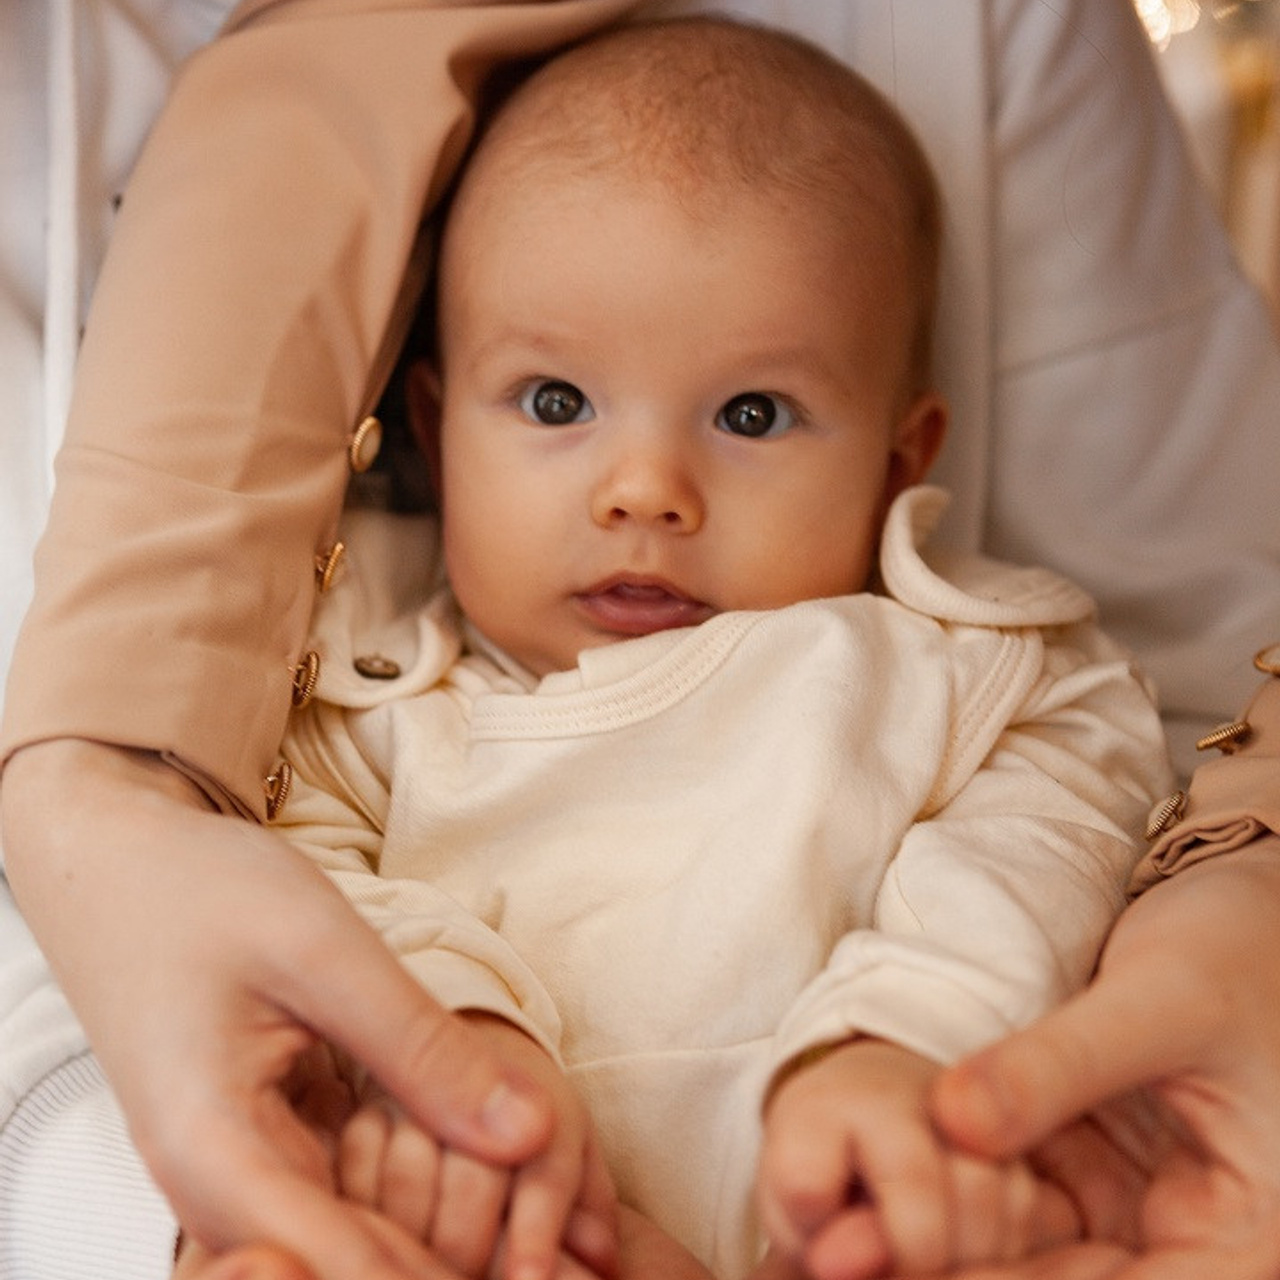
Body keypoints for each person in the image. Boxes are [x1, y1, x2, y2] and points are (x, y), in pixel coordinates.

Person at [2, 2, 1279, 1278]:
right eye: (556, 401)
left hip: (859, 1193)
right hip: (494, 1214)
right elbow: (301, 880)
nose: (645, 487)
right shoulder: (368, 694)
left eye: (753, 411)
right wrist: (451, 1039)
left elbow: (1057, 823)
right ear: (438, 439)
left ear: (900, 460)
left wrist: (895, 1047)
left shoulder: (959, 672)